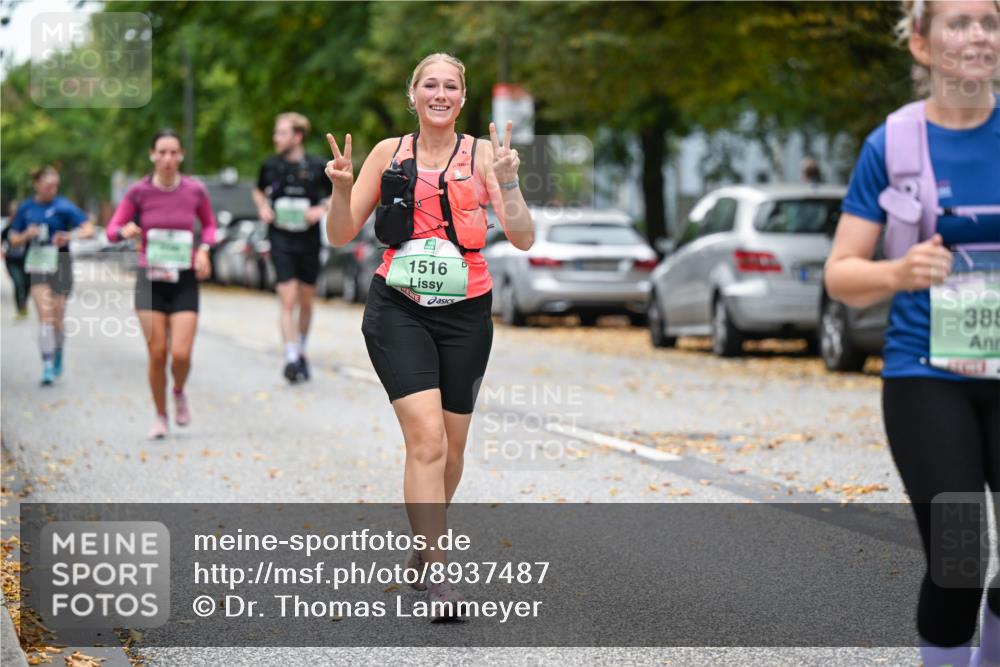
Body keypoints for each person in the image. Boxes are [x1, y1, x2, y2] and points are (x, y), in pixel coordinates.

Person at [324, 53, 534, 619]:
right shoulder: (387, 154)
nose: (440, 94)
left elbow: (522, 237)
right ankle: (440, 576)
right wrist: (341, 189)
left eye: (451, 86)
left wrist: (509, 182)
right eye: (430, 85)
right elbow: (341, 233)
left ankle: (423, 547)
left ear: (462, 98)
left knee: (452, 451)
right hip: (399, 309)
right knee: (427, 441)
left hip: (466, 312)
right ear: (412, 94)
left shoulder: (485, 155)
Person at [825, 2, 1000, 665]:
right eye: (959, 22)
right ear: (922, 43)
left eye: (991, 21)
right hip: (926, 376)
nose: (979, 34)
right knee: (958, 562)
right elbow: (841, 275)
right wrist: (899, 272)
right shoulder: (893, 145)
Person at [106, 129, 217, 439]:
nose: (168, 158)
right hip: (150, 279)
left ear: (181, 155)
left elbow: (209, 225)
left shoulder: (195, 190)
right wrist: (124, 231)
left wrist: (204, 250)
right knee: (157, 354)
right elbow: (112, 229)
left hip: (184, 279)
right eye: (162, 152)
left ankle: (178, 390)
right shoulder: (138, 192)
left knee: (180, 354)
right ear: (152, 155)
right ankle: (160, 415)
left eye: (173, 152)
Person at [253, 112, 331, 384]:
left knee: (306, 299)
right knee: (287, 299)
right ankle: (290, 357)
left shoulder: (317, 166)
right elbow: (258, 190)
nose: (276, 138)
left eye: (282, 133)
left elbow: (336, 193)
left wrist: (321, 209)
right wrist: (263, 207)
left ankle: (301, 349)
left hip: (308, 240)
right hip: (280, 238)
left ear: (297, 137)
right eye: (276, 133)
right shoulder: (270, 165)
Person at [7, 166, 95, 385]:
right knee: (45, 318)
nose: (52, 189)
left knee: (57, 318)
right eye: (47, 185)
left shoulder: (64, 206)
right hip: (38, 265)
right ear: (37, 184)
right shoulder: (26, 208)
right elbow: (13, 239)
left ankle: (58, 353)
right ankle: (47, 365)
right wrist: (27, 234)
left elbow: (89, 229)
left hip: (61, 265)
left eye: (55, 185)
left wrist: (69, 235)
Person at [2, 200, 29, 319]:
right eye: (12, 212)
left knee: (27, 284)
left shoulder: (26, 227)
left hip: (25, 260)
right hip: (11, 260)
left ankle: (24, 304)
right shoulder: (8, 228)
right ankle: (19, 310)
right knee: (18, 284)